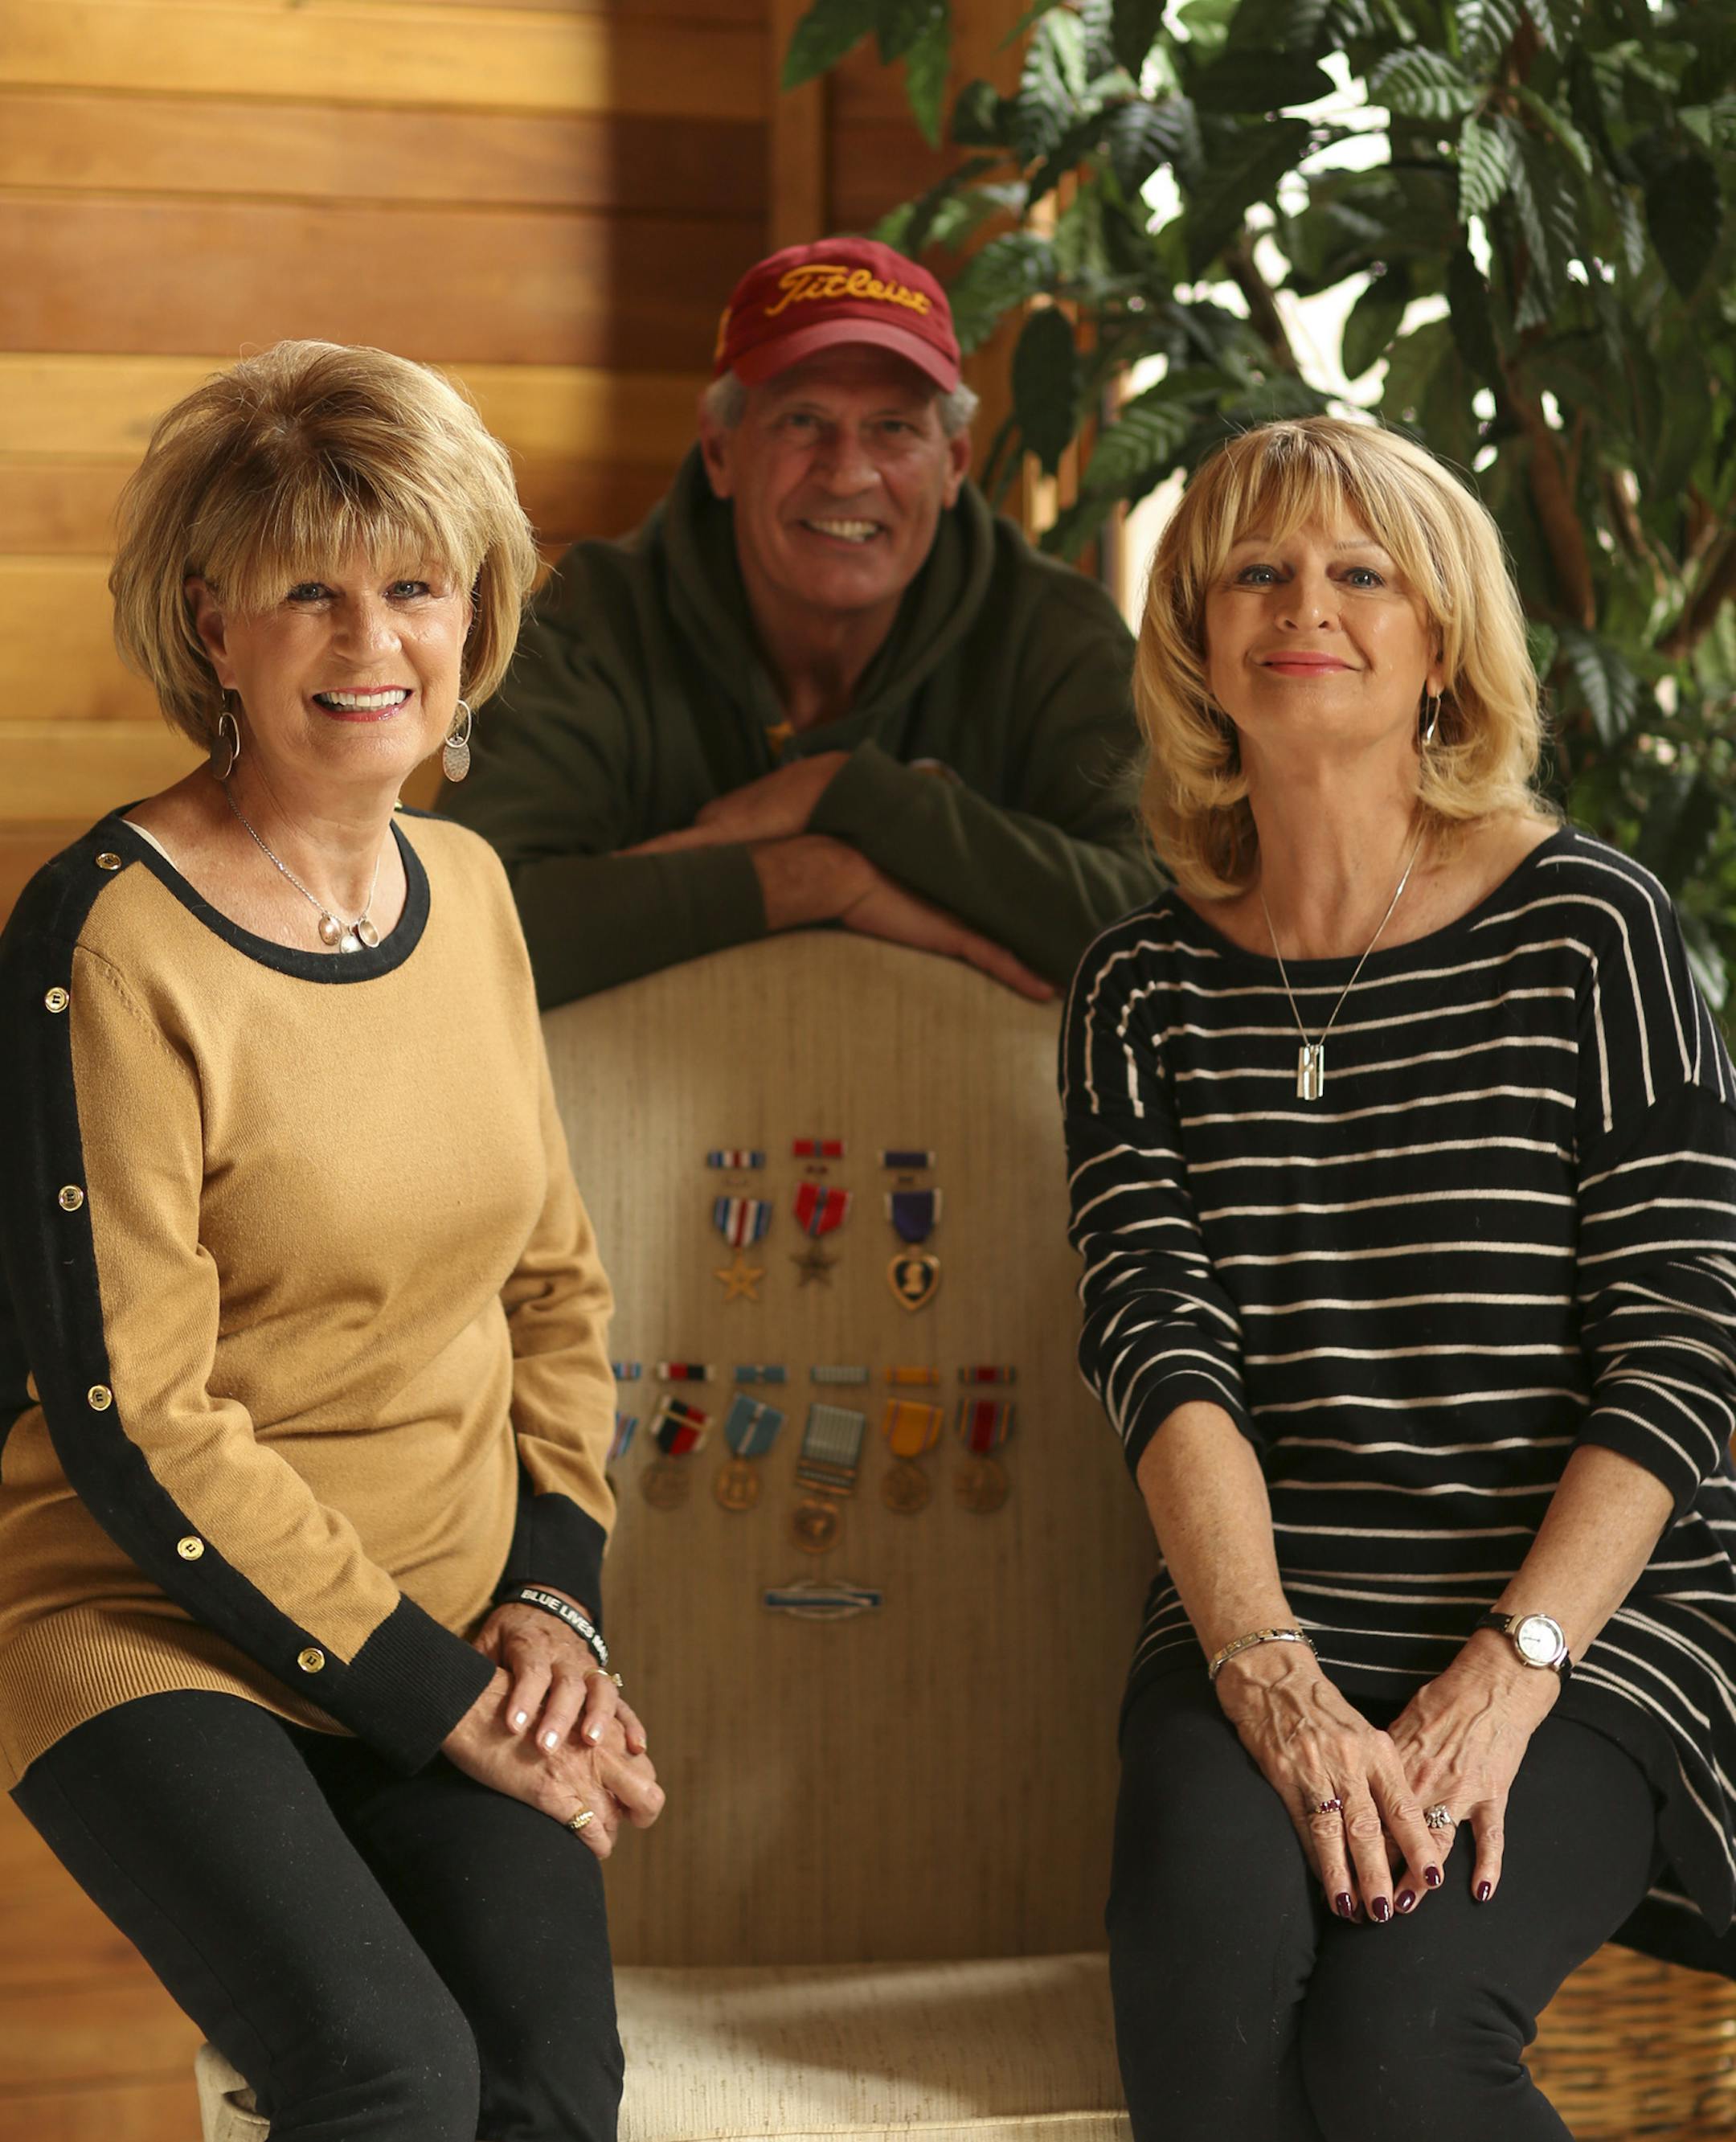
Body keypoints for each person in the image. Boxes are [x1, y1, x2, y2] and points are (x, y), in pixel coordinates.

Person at [0, 341, 662, 2142]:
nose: (372, 641)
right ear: (217, 628)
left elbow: (552, 1290)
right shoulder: (103, 942)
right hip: (154, 1623)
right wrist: (445, 1700)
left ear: (473, 619)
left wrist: (549, 1608)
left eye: (415, 586)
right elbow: (141, 1415)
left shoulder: (474, 896)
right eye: (312, 590)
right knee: (390, 2077)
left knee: (545, 2088)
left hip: (454, 1614)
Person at [1060, 415, 1736, 2141]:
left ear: (1442, 642)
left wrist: (1511, 1671)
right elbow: (1161, 1353)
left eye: (1364, 572)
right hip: (1270, 1615)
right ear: (1198, 640)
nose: (1310, 605)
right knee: (1203, 2011)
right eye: (1259, 572)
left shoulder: (1596, 929)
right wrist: (1272, 1675)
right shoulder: (1138, 991)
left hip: (1582, 1621)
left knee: (1394, 2036)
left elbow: (1686, 1345)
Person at [440, 236, 1159, 1009]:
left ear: (953, 464)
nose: (847, 471)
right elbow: (475, 929)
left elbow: (1164, 932)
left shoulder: (1052, 629)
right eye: (803, 420)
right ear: (720, 451)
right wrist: (811, 877)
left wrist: (853, 794)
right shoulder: (598, 619)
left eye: (894, 428)